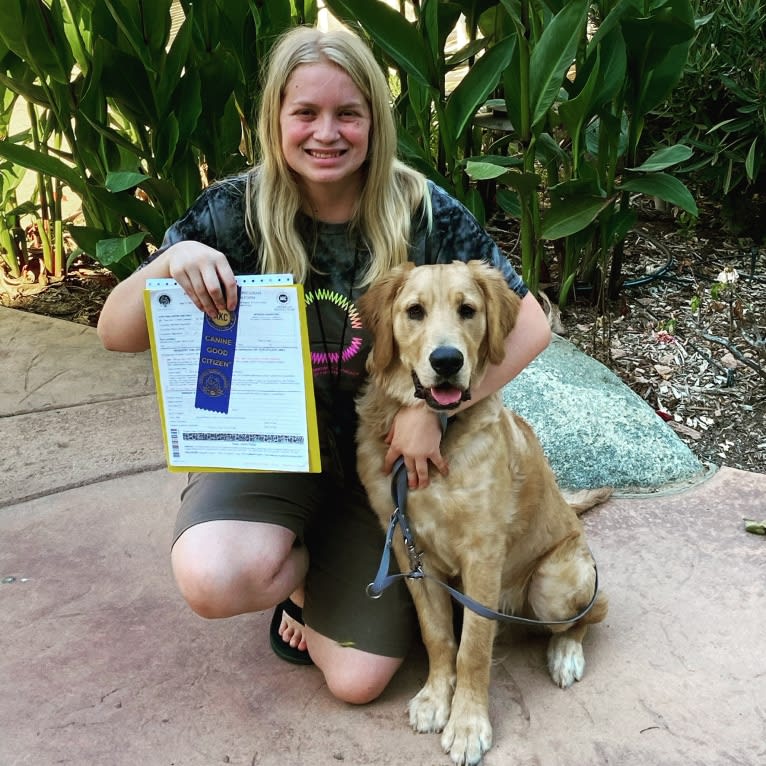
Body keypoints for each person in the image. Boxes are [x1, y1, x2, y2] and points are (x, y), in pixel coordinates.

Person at [97, 23, 551, 705]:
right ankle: (294, 573)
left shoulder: (421, 208)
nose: (326, 132)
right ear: (275, 118)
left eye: (348, 113)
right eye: (305, 112)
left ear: (374, 118)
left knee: (358, 681)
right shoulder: (234, 210)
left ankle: (328, 574)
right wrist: (169, 262)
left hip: (382, 465)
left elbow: (532, 323)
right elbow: (115, 331)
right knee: (215, 574)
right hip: (272, 455)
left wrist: (432, 412)